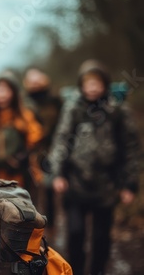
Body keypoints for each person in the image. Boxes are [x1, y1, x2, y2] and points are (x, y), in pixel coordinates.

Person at [49, 60, 141, 275]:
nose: (92, 87)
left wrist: (130, 184)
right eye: (87, 83)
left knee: (101, 236)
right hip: (76, 181)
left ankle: (97, 270)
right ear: (81, 85)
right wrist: (58, 173)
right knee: (75, 232)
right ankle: (77, 270)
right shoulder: (73, 109)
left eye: (97, 83)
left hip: (107, 184)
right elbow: (61, 140)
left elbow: (131, 149)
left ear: (105, 84)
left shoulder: (118, 110)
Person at [0, 72, 43, 189]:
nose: (2, 95)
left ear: (14, 93)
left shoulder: (23, 114)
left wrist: (24, 155)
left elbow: (36, 135)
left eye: (6, 90)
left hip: (18, 173)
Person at [23, 67, 63, 227]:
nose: (35, 83)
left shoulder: (55, 100)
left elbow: (62, 124)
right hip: (31, 151)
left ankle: (51, 226)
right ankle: (31, 225)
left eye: (37, 79)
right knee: (30, 189)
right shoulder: (24, 102)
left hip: (52, 149)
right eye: (31, 81)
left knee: (49, 189)